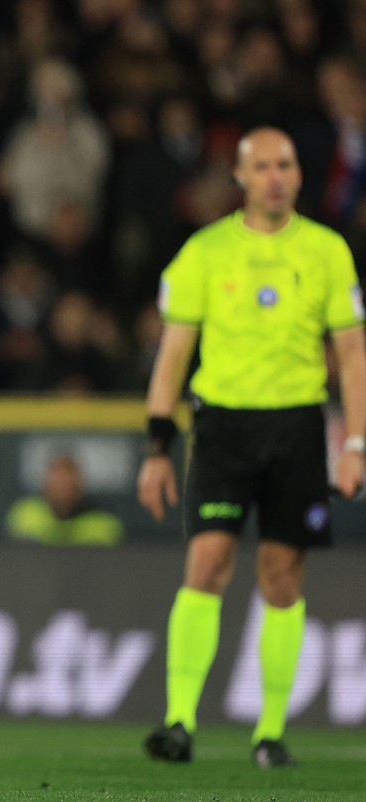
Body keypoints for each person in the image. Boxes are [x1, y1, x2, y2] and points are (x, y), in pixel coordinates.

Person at [139, 128, 366, 768]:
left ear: (299, 175)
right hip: (222, 429)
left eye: (285, 164)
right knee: (208, 562)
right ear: (238, 176)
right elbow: (173, 355)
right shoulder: (204, 253)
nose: (274, 176)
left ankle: (269, 731)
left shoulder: (327, 251)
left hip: (296, 425)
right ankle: (178, 721)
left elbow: (352, 355)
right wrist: (158, 447)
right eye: (261, 165)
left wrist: (355, 442)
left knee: (282, 576)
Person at [5, 454, 123, 546]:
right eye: (57, 485)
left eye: (69, 486)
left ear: (81, 486)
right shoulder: (25, 515)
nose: (63, 488)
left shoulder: (103, 525)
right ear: (45, 485)